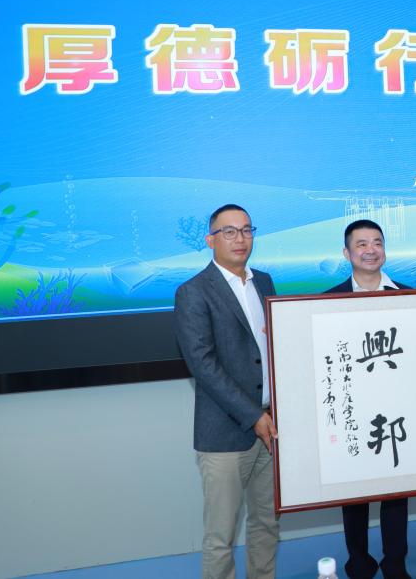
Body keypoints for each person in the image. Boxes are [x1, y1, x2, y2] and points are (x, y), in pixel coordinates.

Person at [174, 204, 279, 579]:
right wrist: (254, 416)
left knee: (267, 523)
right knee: (221, 536)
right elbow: (203, 366)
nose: (240, 239)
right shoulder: (193, 292)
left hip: (271, 425)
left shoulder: (264, 282)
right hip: (225, 433)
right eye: (229, 232)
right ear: (210, 240)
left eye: (247, 230)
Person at [325, 219, 413, 579]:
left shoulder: (410, 296)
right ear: (347, 253)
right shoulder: (326, 301)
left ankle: (396, 563)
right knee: (354, 495)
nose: (371, 250)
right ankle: (358, 562)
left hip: (398, 408)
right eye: (361, 244)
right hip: (352, 411)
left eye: (377, 242)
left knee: (396, 492)